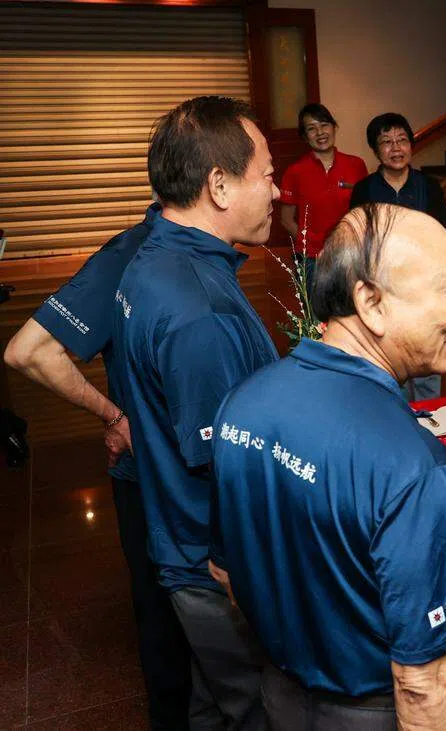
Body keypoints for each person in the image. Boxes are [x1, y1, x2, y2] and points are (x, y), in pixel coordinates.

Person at [210, 203, 446, 729]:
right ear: (371, 302)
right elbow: (424, 682)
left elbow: (225, 572)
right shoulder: (413, 466)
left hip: (280, 700)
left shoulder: (242, 404)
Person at [114, 95, 281, 729]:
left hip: (181, 539)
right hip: (215, 562)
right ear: (219, 185)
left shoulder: (156, 259)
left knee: (211, 704)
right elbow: (221, 461)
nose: (277, 190)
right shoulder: (197, 310)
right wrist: (241, 569)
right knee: (254, 708)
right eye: (267, 174)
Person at [4, 204, 194, 730]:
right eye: (263, 173)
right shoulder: (130, 253)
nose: (273, 188)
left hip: (193, 475)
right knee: (165, 622)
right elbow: (29, 351)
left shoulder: (202, 253)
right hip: (151, 479)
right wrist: (115, 416)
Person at [351, 111, 446, 401]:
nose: (395, 148)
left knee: (426, 363)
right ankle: (394, 417)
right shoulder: (364, 189)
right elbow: (356, 238)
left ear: (411, 145)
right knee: (387, 363)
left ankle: (429, 419)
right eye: (386, 142)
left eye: (402, 140)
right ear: (375, 150)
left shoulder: (428, 186)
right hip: (381, 291)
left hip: (424, 290)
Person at [279, 103, 368, 287]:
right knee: (315, 306)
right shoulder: (295, 171)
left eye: (324, 125)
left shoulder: (356, 165)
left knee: (353, 304)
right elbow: (287, 220)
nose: (320, 132)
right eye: (311, 128)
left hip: (350, 253)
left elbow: (365, 211)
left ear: (334, 127)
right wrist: (311, 246)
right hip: (311, 259)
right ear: (305, 136)